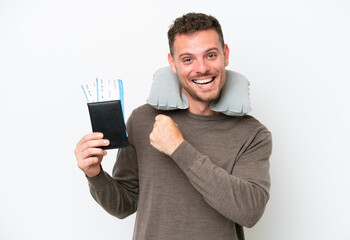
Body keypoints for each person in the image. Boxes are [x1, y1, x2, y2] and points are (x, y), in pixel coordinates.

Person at [74, 12, 272, 240]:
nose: (201, 68)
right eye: (188, 59)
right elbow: (124, 204)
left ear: (225, 55)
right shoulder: (142, 120)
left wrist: (178, 148)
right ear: (173, 63)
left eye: (210, 55)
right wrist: (95, 174)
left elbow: (249, 211)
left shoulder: (253, 134)